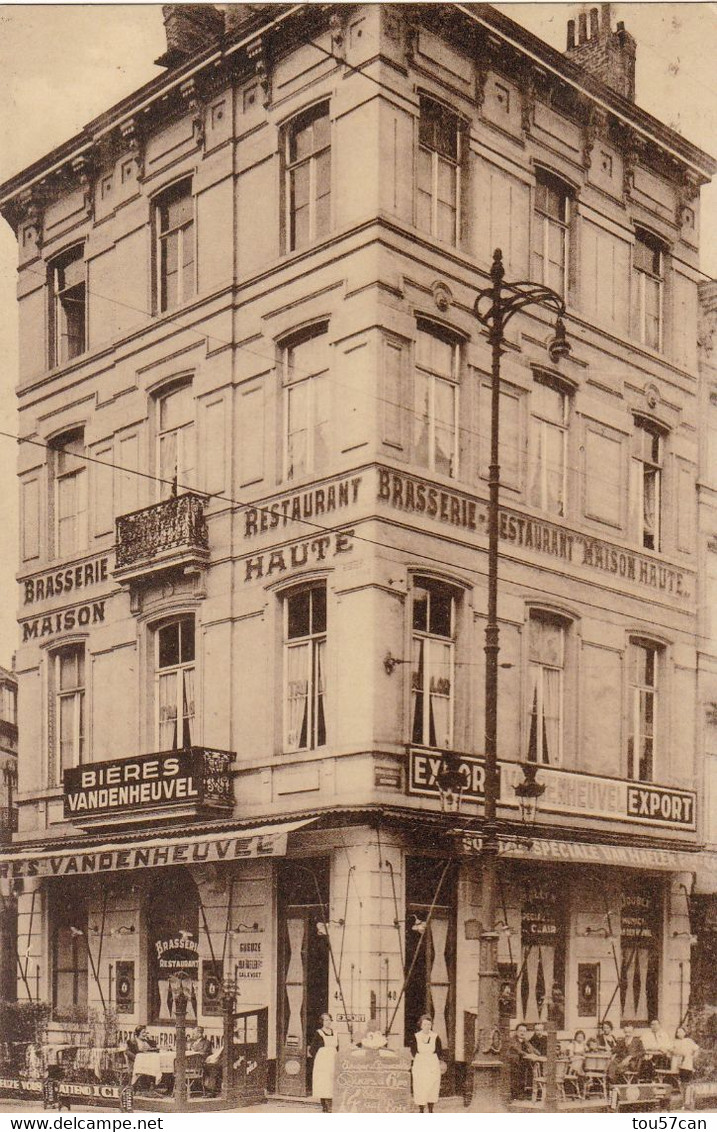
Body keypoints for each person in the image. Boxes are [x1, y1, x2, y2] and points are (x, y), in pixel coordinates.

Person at [410, 1014, 443, 1113]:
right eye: (425, 1024)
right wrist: (421, 1058)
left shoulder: (435, 1036)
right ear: (421, 1025)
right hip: (420, 1061)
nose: (427, 1026)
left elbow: (439, 1050)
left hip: (432, 1061)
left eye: (429, 1024)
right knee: (421, 1085)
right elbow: (413, 1050)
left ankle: (431, 1109)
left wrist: (432, 1058)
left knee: (432, 1084)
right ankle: (421, 1109)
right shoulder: (416, 1036)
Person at [308, 1013, 338, 1113]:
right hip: (323, 1061)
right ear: (322, 1022)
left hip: (333, 1060)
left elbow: (337, 1048)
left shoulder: (335, 1033)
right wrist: (322, 1055)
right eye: (326, 1020)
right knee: (323, 1082)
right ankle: (325, 1106)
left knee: (331, 1081)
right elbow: (312, 1050)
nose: (328, 1022)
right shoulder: (319, 1033)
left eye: (329, 1020)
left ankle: (330, 1105)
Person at [671, 1026, 699, 1101]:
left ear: (684, 1033)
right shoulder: (675, 1042)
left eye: (680, 1032)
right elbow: (671, 1051)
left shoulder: (689, 1041)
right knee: (679, 1082)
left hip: (686, 1064)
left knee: (686, 1083)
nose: (678, 1033)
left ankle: (688, 1100)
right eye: (677, 1032)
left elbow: (696, 1049)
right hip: (677, 1064)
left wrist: (693, 1057)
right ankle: (682, 1099)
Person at [506, 1023, 533, 1100]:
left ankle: (521, 1093)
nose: (522, 1033)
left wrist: (536, 1054)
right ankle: (514, 1094)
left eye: (524, 1031)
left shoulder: (525, 1041)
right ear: (516, 1031)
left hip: (523, 1062)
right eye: (520, 1030)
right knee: (515, 1078)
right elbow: (518, 1050)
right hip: (514, 1062)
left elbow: (532, 1049)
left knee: (523, 1077)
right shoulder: (513, 1040)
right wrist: (527, 1054)